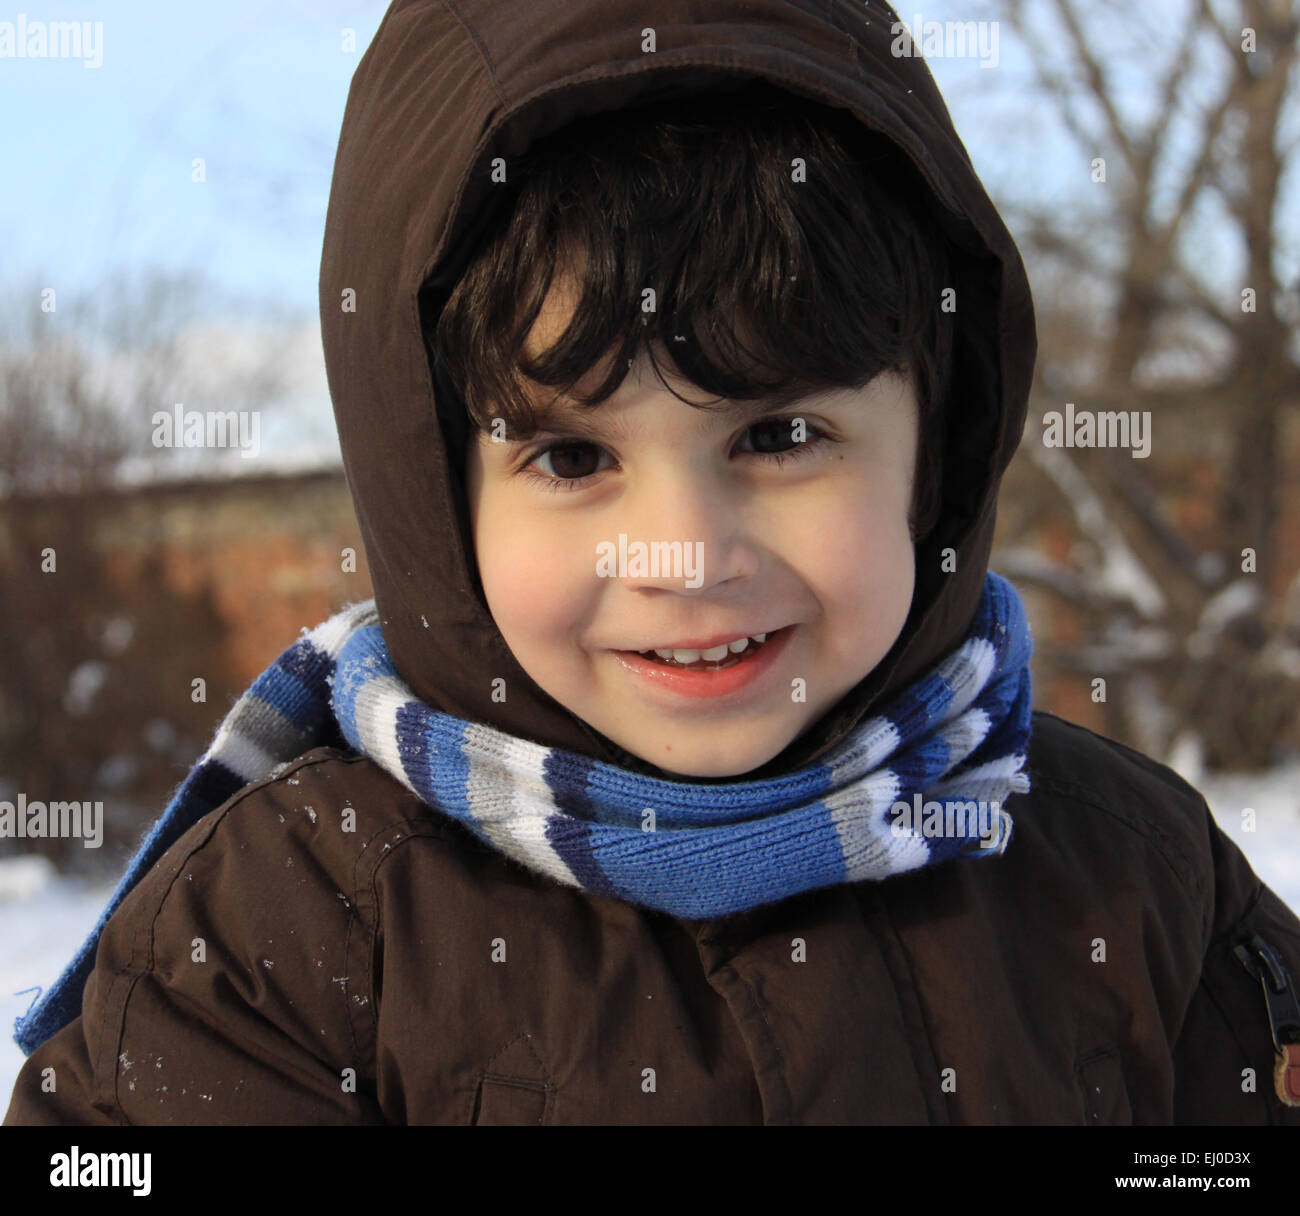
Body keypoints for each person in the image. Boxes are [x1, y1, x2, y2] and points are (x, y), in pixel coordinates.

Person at [7, 0, 1299, 1125]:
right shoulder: (281, 940)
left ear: (936, 446)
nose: (682, 555)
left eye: (781, 435)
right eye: (573, 460)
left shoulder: (1135, 882)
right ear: (435, 496)